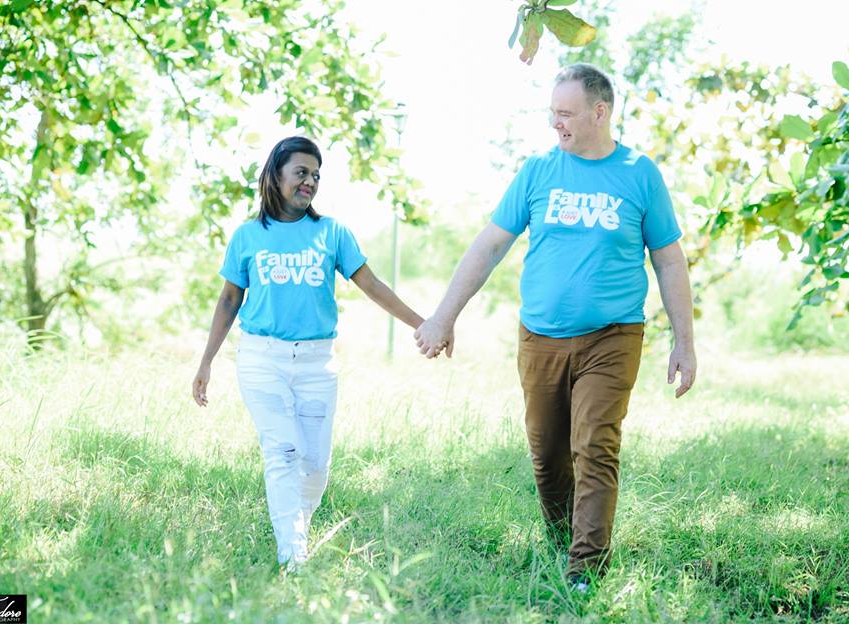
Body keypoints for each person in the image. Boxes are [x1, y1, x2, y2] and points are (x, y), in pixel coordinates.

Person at [414, 64, 697, 590]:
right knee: (547, 455)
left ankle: (584, 569)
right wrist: (443, 315)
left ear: (599, 112)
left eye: (565, 114)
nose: (555, 124)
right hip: (540, 336)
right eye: (552, 113)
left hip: (612, 336)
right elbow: (491, 244)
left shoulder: (639, 174)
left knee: (595, 443)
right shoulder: (539, 171)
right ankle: (560, 539)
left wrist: (685, 341)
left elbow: (669, 261)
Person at [192, 136, 424, 571]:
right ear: (275, 175)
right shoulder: (247, 236)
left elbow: (371, 284)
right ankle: (293, 557)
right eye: (301, 172)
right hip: (262, 360)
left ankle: (295, 527)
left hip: (318, 364)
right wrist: (206, 362)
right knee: (283, 452)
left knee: (315, 465)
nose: (310, 181)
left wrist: (422, 324)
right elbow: (228, 300)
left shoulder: (331, 233)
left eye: (316, 175)